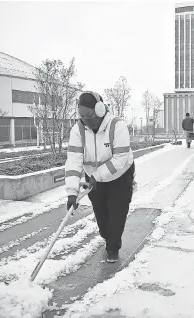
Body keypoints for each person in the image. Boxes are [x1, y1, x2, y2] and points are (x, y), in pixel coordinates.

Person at [65, 91, 135, 263]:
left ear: (100, 109)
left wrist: (97, 175)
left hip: (120, 175)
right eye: (81, 115)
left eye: (88, 115)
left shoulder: (117, 126)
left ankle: (113, 247)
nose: (85, 119)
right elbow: (74, 161)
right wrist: (71, 192)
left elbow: (120, 159)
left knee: (116, 213)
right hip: (94, 178)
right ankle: (107, 237)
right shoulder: (78, 130)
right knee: (101, 216)